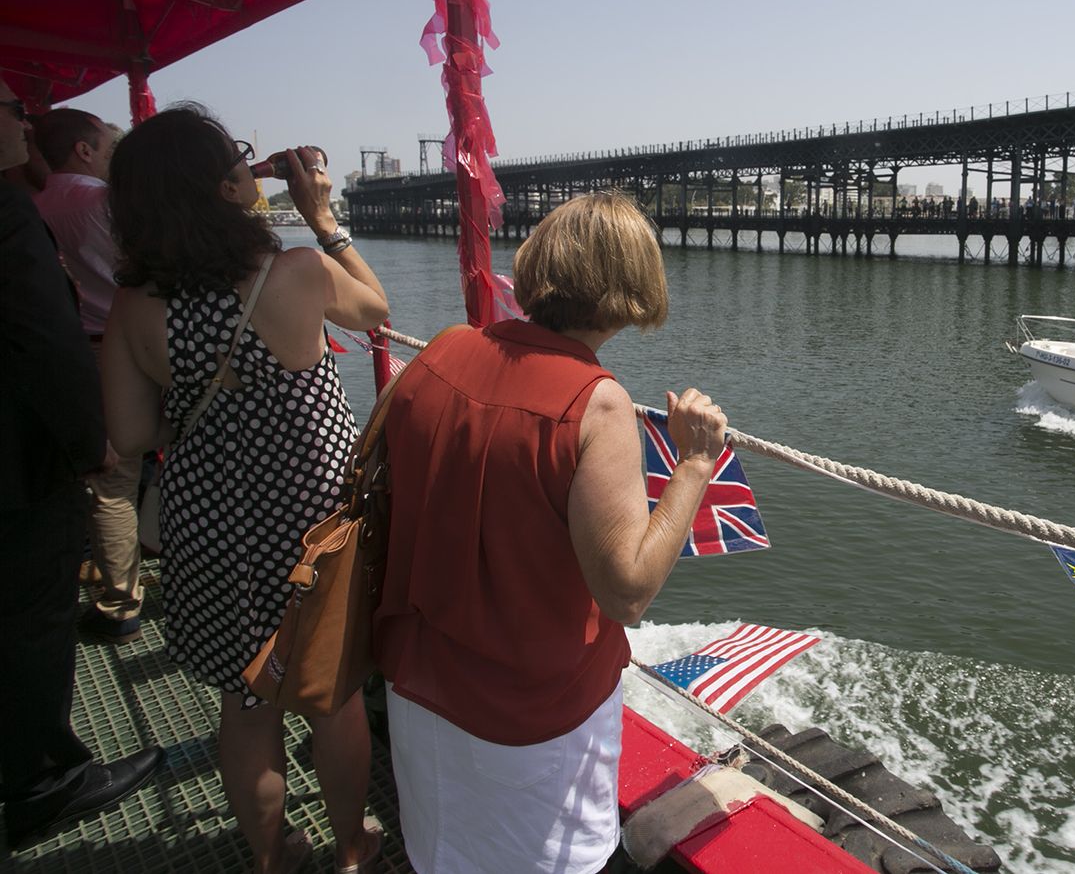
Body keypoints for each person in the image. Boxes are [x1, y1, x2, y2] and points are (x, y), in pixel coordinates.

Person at [373, 191, 728, 874]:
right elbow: (626, 590)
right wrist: (693, 462)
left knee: (438, 855)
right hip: (529, 720)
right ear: (633, 291)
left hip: (418, 682)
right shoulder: (595, 402)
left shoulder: (444, 349)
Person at [101, 105, 389, 874]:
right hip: (309, 527)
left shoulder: (134, 306)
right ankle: (352, 845)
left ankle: (273, 852)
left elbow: (129, 436)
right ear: (228, 185)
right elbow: (375, 307)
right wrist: (322, 217)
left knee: (246, 701)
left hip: (209, 527)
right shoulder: (290, 271)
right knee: (330, 695)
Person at [0, 82, 164, 848]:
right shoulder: (38, 209)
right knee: (37, 604)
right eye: (12, 113)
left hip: (87, 361)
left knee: (113, 493)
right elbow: (42, 333)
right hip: (68, 403)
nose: (21, 127)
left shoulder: (37, 203)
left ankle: (119, 591)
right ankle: (45, 775)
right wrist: (83, 438)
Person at [32, 109, 145, 645]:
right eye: (103, 145)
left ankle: (117, 596)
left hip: (84, 347)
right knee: (127, 476)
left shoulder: (33, 202)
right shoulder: (104, 201)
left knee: (109, 475)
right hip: (135, 341)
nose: (107, 154)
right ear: (82, 149)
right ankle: (123, 600)